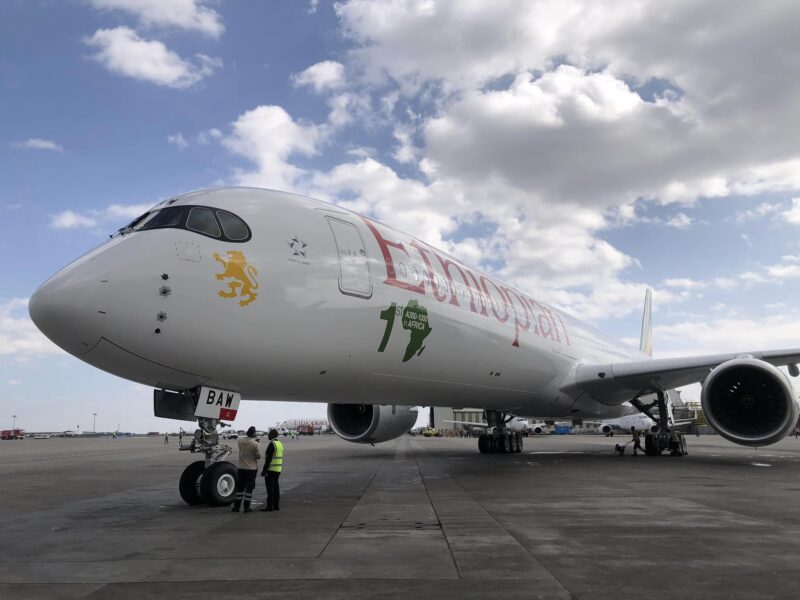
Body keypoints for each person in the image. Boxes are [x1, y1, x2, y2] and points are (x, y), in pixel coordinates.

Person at [232, 426, 261, 513]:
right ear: (253, 433)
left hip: (241, 468)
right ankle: (246, 507)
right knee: (249, 489)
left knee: (240, 488)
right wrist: (257, 444)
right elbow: (258, 456)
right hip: (251, 469)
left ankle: (236, 507)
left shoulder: (240, 441)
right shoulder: (255, 444)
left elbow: (244, 444)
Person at [260, 429, 284, 512]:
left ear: (272, 435)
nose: (268, 435)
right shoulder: (279, 444)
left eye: (269, 434)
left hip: (271, 469)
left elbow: (268, 459)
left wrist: (264, 470)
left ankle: (269, 506)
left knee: (270, 489)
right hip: (278, 469)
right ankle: (276, 505)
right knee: (276, 488)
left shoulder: (272, 444)